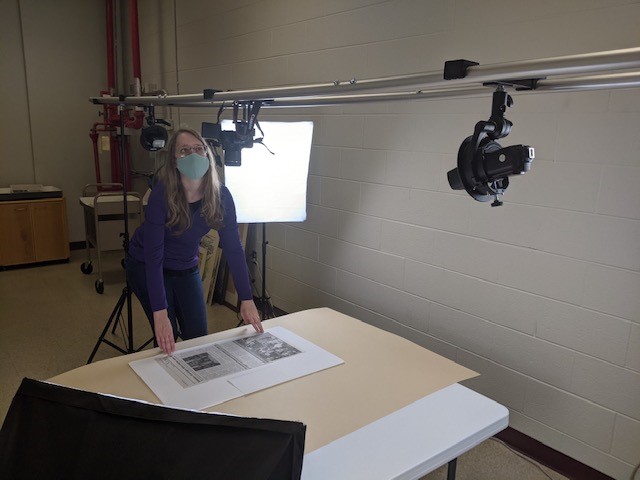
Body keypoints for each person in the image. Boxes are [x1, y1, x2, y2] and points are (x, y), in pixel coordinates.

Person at [126, 127, 262, 355]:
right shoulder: (162, 195)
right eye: (184, 150)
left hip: (185, 264)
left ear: (207, 155)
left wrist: (246, 298)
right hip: (146, 263)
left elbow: (234, 249)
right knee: (167, 338)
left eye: (199, 149)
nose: (193, 155)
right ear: (173, 161)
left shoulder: (221, 196)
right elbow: (154, 256)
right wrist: (160, 313)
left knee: (198, 338)